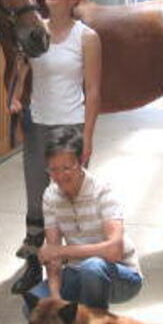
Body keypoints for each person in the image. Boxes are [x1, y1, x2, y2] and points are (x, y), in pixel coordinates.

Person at [10, 0, 102, 294]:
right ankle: (35, 265)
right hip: (38, 125)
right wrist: (18, 95)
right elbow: (22, 75)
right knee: (37, 200)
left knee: (68, 199)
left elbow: (93, 91)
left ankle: (72, 268)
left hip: (70, 127)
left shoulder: (87, 38)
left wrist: (87, 137)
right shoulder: (35, 31)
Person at [26, 126, 142, 309]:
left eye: (66, 168)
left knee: (92, 269)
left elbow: (114, 251)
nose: (59, 176)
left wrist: (62, 251)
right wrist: (56, 299)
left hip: (120, 274)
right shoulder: (50, 196)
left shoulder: (103, 190)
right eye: (53, 169)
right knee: (36, 307)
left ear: (81, 162)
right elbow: (53, 257)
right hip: (76, 271)